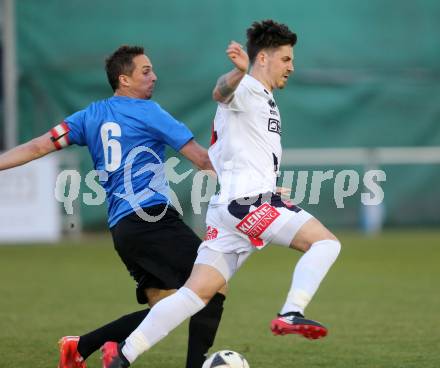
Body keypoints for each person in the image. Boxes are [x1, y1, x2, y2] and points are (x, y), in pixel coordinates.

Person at [106, 20, 342, 368]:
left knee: (195, 294)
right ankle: (292, 312)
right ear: (263, 58)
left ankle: (122, 354)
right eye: (286, 58)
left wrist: (265, 182)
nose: (291, 66)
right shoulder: (245, 87)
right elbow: (220, 91)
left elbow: (236, 150)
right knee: (325, 243)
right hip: (246, 204)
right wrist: (236, 73)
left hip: (230, 207)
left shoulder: (263, 98)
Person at [0, 45, 227, 368]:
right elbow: (204, 159)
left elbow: (37, 146)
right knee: (213, 284)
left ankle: (80, 347)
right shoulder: (150, 113)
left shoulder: (88, 116)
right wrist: (254, 189)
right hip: (152, 217)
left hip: (123, 229)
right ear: (124, 79)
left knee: (163, 306)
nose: (154, 77)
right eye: (145, 71)